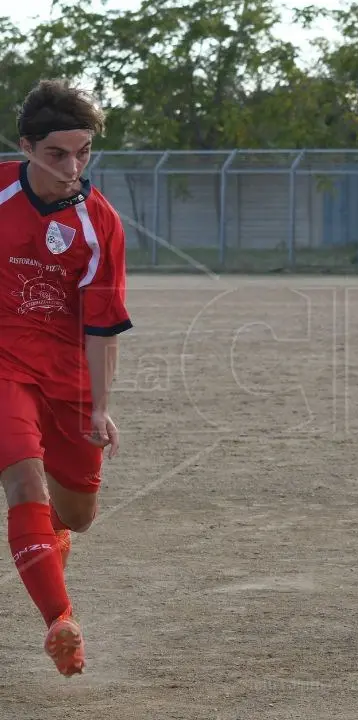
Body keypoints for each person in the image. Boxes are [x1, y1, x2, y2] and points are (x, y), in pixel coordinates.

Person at [0, 79, 132, 676]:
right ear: (26, 146)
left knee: (74, 513)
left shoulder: (99, 222)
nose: (72, 166)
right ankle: (61, 620)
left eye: (83, 152)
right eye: (57, 153)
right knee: (26, 485)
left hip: (68, 375)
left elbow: (103, 324)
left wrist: (100, 407)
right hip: (5, 365)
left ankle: (46, 545)